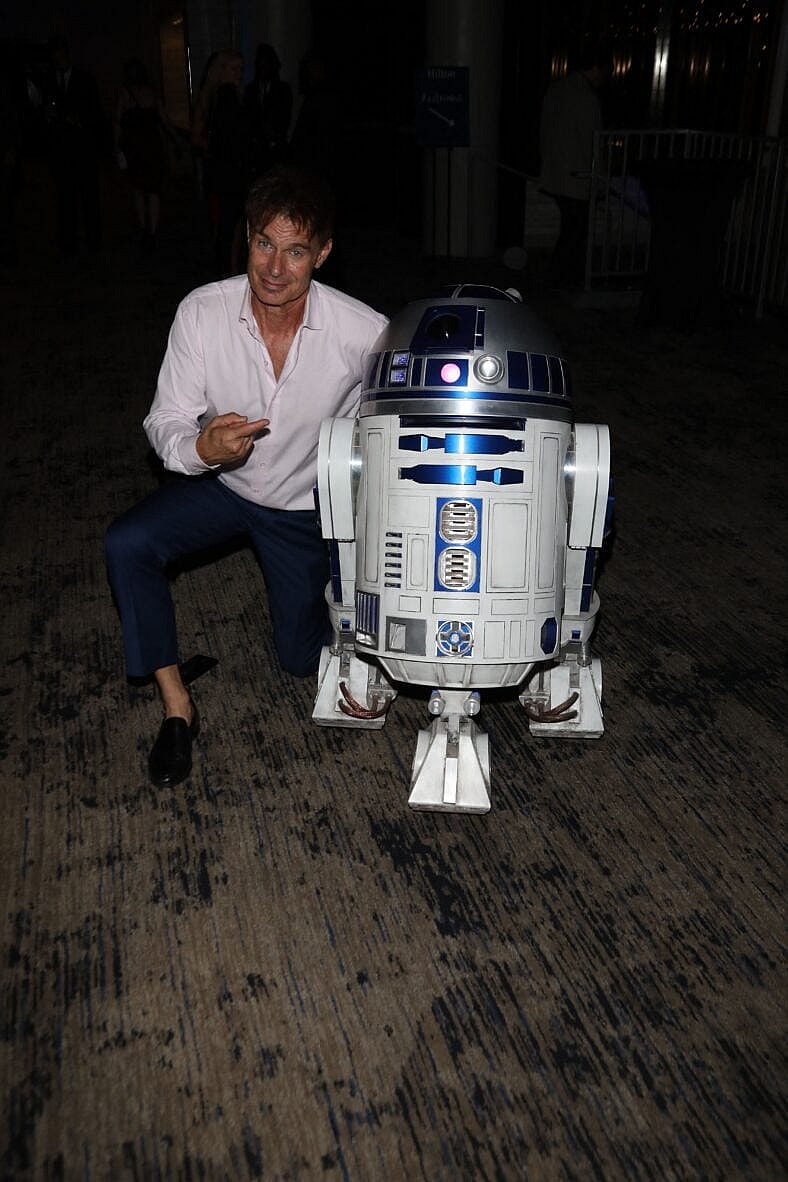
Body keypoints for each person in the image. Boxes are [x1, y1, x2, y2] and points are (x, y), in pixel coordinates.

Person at [104, 164, 388, 789]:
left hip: (302, 506)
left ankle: (342, 604)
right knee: (128, 543)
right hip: (223, 486)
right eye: (264, 243)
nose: (274, 268)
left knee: (300, 658)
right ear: (247, 237)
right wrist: (199, 448)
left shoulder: (365, 333)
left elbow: (388, 435)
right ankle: (177, 705)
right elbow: (165, 418)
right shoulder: (202, 312)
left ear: (323, 253)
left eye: (295, 251)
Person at [538, 42, 611, 287]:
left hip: (556, 173)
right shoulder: (586, 97)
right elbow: (592, 142)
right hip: (577, 178)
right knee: (576, 232)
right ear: (596, 68)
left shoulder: (556, 89)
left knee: (571, 229)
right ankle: (563, 278)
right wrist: (599, 177)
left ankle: (559, 277)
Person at [191, 48, 252, 276]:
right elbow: (198, 137)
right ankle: (225, 269)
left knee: (235, 224)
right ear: (221, 70)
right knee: (225, 224)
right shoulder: (217, 97)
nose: (239, 74)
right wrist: (215, 148)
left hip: (230, 172)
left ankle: (230, 268)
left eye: (241, 69)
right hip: (223, 174)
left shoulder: (234, 96)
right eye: (234, 69)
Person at [43, 35, 105, 255]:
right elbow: (45, 112)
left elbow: (96, 112)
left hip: (83, 149)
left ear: (67, 55)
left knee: (89, 198)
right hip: (61, 150)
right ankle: (68, 243)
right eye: (55, 57)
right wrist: (48, 116)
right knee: (65, 198)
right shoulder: (49, 81)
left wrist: (80, 120)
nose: (58, 60)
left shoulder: (85, 79)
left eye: (61, 56)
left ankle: (93, 242)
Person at [114, 58, 180, 251]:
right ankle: (152, 231)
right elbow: (165, 121)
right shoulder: (152, 94)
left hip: (136, 149)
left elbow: (117, 122)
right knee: (153, 191)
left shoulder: (125, 94)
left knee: (140, 190)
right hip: (152, 148)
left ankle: (145, 229)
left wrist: (116, 146)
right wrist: (176, 139)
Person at [244, 43, 292, 178]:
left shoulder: (283, 90)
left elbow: (284, 120)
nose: (263, 67)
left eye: (266, 62)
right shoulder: (250, 91)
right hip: (256, 153)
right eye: (260, 63)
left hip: (277, 150)